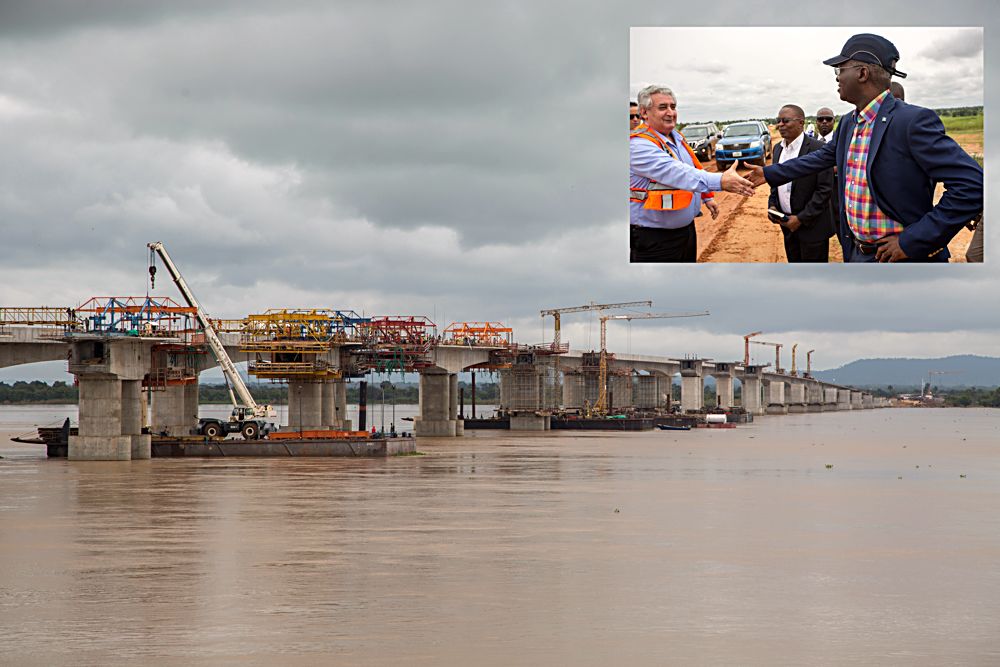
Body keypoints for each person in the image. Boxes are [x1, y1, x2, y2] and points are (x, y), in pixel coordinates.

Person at [743, 33, 983, 262]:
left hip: (901, 260)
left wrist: (911, 241)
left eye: (840, 70)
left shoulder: (910, 122)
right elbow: (820, 158)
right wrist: (769, 173)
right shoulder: (849, 122)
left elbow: (972, 185)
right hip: (858, 253)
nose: (837, 77)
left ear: (862, 73)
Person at [630, 84, 755, 262]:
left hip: (685, 231)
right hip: (654, 238)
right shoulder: (638, 146)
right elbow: (678, 173)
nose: (670, 112)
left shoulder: (675, 137)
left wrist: (705, 197)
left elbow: (693, 167)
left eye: (673, 107)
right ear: (644, 112)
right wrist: (721, 180)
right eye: (663, 107)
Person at [767, 105, 834, 262]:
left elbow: (824, 190)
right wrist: (772, 205)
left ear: (801, 123)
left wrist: (800, 219)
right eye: (778, 121)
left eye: (785, 121)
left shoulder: (819, 149)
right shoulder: (777, 149)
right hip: (787, 227)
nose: (780, 125)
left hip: (812, 229)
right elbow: (775, 184)